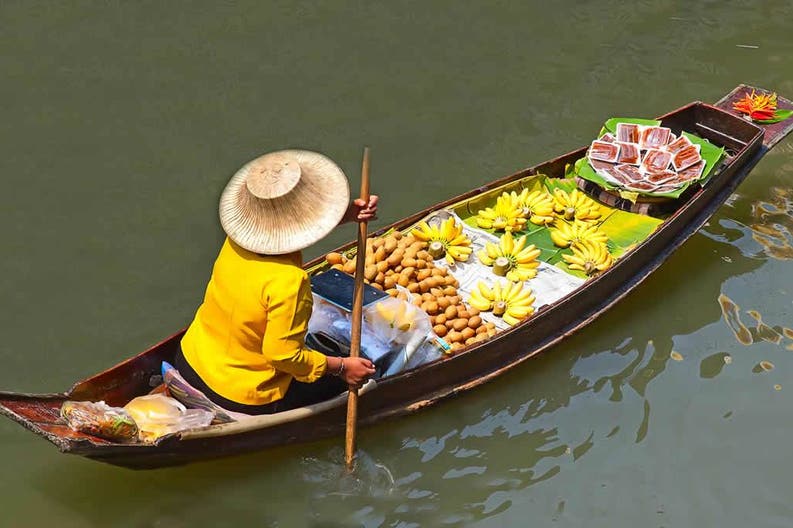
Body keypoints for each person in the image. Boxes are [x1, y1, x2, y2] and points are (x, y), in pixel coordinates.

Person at [174, 149, 378, 415]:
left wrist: (347, 214)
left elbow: (282, 227)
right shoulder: (288, 282)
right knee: (368, 369)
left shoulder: (236, 242)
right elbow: (283, 357)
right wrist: (341, 367)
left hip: (190, 357)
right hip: (240, 393)